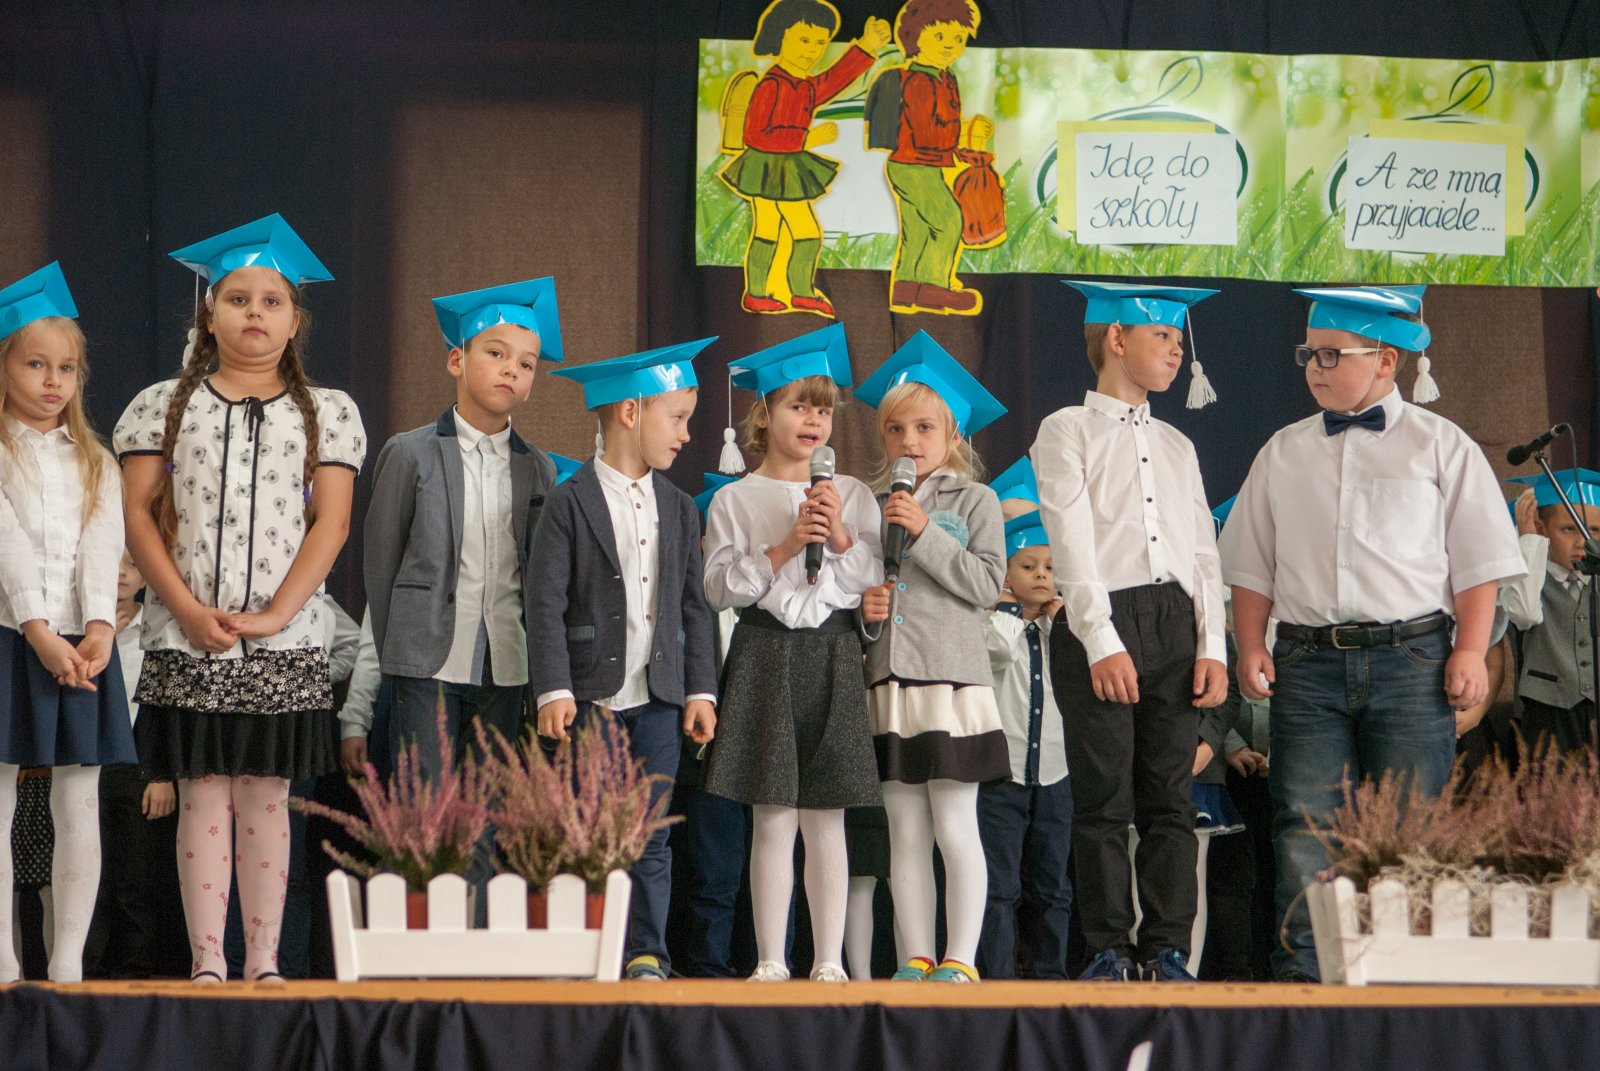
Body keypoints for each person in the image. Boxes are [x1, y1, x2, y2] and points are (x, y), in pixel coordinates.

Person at [1218, 284, 1524, 981]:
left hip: (1412, 658)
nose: (1315, 367)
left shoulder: (1441, 445)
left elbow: (1478, 561)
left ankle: (1408, 971)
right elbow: (1251, 563)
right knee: (1305, 821)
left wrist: (1470, 650)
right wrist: (1252, 643)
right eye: (1308, 354)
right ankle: (1306, 973)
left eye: (1332, 354)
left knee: (1413, 822)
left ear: (1385, 361)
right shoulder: (1283, 451)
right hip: (1306, 660)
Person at [114, 214, 366, 984]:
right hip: (188, 633)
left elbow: (332, 523)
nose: (255, 312)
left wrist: (276, 614)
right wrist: (189, 611)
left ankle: (262, 957)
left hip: (284, 640)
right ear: (209, 313)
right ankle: (208, 961)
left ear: (295, 321)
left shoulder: (329, 411)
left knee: (266, 798)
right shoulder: (163, 405)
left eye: (271, 301)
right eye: (237, 298)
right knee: (201, 798)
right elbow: (137, 517)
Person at [1031, 281, 1228, 983]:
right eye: (1162, 337)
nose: (1176, 351)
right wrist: (1100, 638)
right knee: (1104, 799)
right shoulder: (1066, 429)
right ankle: (1109, 947)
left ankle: (1168, 947)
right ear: (1117, 338)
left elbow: (1202, 550)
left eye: (1177, 339)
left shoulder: (1177, 444)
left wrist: (1212, 645)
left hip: (1174, 622)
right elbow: (1072, 540)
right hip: (1101, 617)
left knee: (1171, 798)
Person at [530, 338, 720, 980]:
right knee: (584, 829)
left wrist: (701, 691)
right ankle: (585, 949)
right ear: (631, 413)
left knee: (651, 832)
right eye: (678, 418)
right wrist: (553, 688)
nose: (687, 434)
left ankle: (645, 952)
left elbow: (694, 608)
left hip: (659, 698)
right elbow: (545, 604)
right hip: (590, 697)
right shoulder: (568, 500)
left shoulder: (679, 507)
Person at [701, 324, 882, 982]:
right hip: (764, 652)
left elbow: (872, 577)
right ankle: (772, 958)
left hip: (832, 653)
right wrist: (783, 547)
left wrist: (837, 536)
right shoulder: (734, 498)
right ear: (763, 415)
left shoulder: (852, 494)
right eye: (798, 406)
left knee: (826, 815)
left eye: (823, 409)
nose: (813, 420)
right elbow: (717, 588)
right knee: (773, 815)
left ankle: (828, 960)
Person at [854, 331, 1009, 983]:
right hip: (890, 682)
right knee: (905, 832)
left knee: (953, 823)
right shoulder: (870, 506)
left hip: (951, 684)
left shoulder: (976, 500)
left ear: (953, 433)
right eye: (896, 429)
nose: (909, 441)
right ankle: (915, 955)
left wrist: (922, 533)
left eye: (924, 427)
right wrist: (864, 614)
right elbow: (858, 593)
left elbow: (987, 584)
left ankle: (961, 958)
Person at [363, 278, 561, 782]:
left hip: (505, 660)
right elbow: (381, 564)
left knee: (487, 804)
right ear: (457, 360)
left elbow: (538, 573)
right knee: (423, 803)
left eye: (527, 364)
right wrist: (400, 653)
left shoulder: (538, 468)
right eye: (496, 353)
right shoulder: (410, 453)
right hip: (425, 658)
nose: (512, 369)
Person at [0, 262, 136, 983]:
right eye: (35, 364)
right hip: (10, 637)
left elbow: (102, 546)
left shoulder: (96, 460)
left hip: (82, 643)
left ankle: (67, 963)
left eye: (67, 368)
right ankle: (3, 960)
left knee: (79, 795)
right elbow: (6, 545)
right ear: (4, 365)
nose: (53, 381)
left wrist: (100, 629)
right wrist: (38, 629)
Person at [721, 0, 891, 316]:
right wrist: (808, 139)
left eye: (820, 43)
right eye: (803, 39)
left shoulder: (804, 85)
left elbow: (832, 80)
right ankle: (786, 292)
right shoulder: (773, 83)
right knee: (796, 230)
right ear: (780, 37)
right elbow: (755, 135)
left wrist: (866, 47)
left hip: (784, 166)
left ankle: (776, 292)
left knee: (777, 229)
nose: (812, 50)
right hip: (768, 165)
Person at [976, 509, 1074, 980]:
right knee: (999, 886)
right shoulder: (992, 623)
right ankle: (999, 978)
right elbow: (994, 653)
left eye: (1050, 568)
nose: (1041, 576)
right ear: (1006, 574)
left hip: (1056, 772)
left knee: (1054, 886)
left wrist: (1064, 622)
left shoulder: (1067, 629)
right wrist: (1010, 610)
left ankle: (1050, 975)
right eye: (1028, 566)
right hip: (1003, 773)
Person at [85, 551, 183, 979]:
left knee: (134, 882)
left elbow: (167, 710)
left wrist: (161, 774)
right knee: (89, 878)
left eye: (134, 563)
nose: (122, 573)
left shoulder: (157, 630)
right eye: (114, 560)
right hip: (85, 765)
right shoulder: (77, 629)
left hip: (137, 769)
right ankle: (86, 972)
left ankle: (134, 975)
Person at [880, 0, 991, 315]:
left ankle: (906, 289)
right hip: (913, 165)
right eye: (940, 37)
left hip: (922, 164)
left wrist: (965, 135)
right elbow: (928, 130)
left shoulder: (946, 77)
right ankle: (934, 288)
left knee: (916, 229)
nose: (950, 45)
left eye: (958, 38)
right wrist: (961, 138)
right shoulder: (919, 81)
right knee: (947, 220)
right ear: (915, 36)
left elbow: (943, 126)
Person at [1500, 473, 1600, 755]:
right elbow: (1524, 614)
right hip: (1545, 711)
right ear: (1541, 529)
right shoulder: (1526, 578)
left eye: (1594, 530)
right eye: (1568, 530)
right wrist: (1528, 539)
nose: (1582, 542)